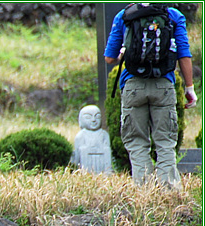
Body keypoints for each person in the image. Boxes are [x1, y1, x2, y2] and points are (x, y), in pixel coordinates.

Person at [104, 4, 197, 189]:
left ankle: (144, 191)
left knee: (137, 141)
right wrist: (189, 88)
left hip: (132, 86)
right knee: (165, 141)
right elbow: (183, 53)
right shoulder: (173, 15)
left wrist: (125, 52)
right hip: (163, 85)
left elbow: (109, 58)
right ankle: (168, 191)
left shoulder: (124, 15)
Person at [71, 105, 113, 175]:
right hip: (86, 166)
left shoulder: (104, 134)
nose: (93, 120)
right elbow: (77, 156)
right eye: (88, 117)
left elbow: (107, 151)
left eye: (97, 117)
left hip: (102, 165)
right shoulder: (81, 135)